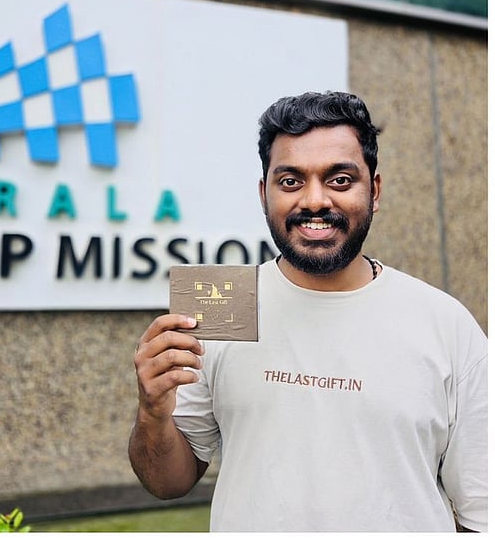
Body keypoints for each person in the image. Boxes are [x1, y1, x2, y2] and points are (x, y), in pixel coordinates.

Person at [128, 91, 487, 531]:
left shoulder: (445, 325)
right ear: (264, 194)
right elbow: (168, 482)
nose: (315, 201)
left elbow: (480, 512)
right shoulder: (225, 310)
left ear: (373, 190)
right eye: (291, 181)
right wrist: (152, 410)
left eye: (339, 180)